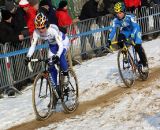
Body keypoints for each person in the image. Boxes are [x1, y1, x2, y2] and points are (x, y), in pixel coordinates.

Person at [24, 13, 70, 98]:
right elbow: (33, 45)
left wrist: (57, 55)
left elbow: (60, 45)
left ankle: (66, 75)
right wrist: (28, 56)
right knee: (50, 65)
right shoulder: (36, 32)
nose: (41, 30)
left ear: (46, 24)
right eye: (38, 28)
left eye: (42, 27)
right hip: (52, 46)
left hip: (62, 42)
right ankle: (56, 90)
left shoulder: (52, 30)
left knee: (61, 56)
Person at [106, 2, 148, 72]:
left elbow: (135, 27)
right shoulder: (115, 20)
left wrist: (132, 36)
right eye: (117, 13)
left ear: (124, 11)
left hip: (135, 30)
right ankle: (125, 54)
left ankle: (145, 64)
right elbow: (113, 30)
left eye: (120, 13)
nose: (118, 15)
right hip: (126, 31)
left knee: (137, 47)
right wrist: (109, 39)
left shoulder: (130, 17)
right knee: (120, 39)